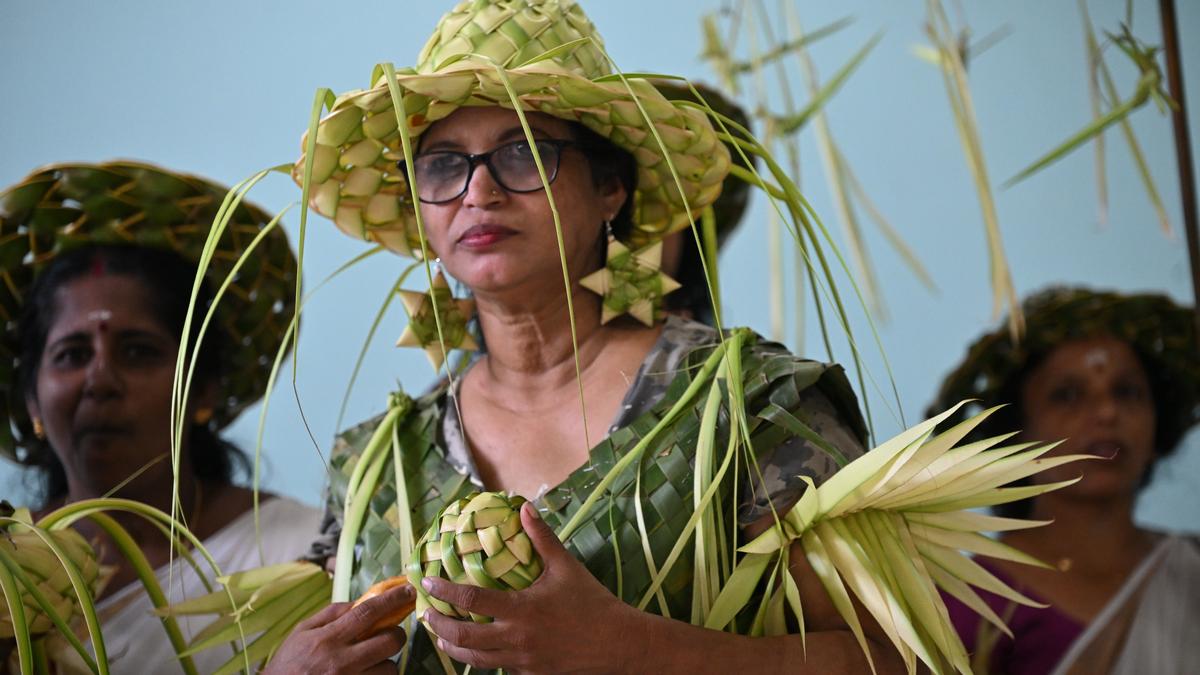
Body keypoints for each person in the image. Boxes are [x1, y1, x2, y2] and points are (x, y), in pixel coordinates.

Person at [261, 2, 909, 673]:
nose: (477, 190)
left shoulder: (750, 405)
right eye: (444, 165)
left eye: (524, 152)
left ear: (610, 188)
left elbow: (890, 661)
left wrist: (629, 648)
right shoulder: (376, 466)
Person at [0, 161, 323, 673]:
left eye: (138, 352)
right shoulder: (6, 580)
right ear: (32, 402)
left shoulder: (305, 552)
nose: (99, 380)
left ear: (204, 389)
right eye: (70, 354)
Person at [929, 287, 1200, 675]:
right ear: (1016, 434)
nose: (1107, 412)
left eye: (1127, 392)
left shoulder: (1191, 570)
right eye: (1067, 396)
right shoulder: (973, 601)